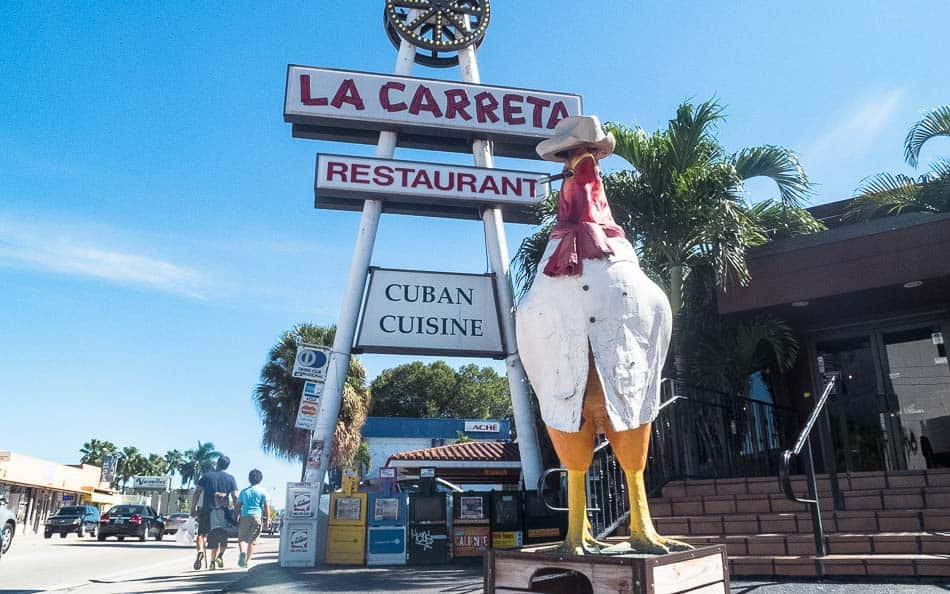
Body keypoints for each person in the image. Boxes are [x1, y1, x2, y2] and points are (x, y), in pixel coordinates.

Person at [190, 456, 239, 570]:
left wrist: (193, 508)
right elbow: (235, 496)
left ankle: (200, 551)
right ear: (227, 466)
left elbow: (197, 492)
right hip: (223, 512)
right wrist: (236, 513)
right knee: (219, 536)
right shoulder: (230, 478)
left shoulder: (207, 476)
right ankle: (216, 558)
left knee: (201, 534)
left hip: (207, 509)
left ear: (217, 463)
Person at [235, 469, 270, 568]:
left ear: (249, 479)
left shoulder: (244, 491)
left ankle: (242, 552)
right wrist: (267, 520)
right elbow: (266, 506)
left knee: (242, 538)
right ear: (260, 479)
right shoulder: (263, 491)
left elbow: (238, 506)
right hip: (257, 517)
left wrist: (235, 517)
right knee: (252, 541)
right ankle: (247, 561)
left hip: (245, 516)